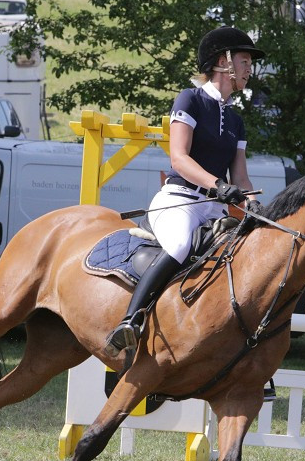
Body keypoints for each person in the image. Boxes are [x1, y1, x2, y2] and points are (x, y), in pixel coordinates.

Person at [104, 26, 264, 357]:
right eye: (246, 61)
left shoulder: (236, 121)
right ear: (225, 62)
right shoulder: (190, 99)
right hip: (180, 200)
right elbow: (178, 156)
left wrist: (253, 203)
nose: (251, 69)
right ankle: (129, 321)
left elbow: (242, 177)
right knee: (179, 245)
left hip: (213, 208)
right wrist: (219, 185)